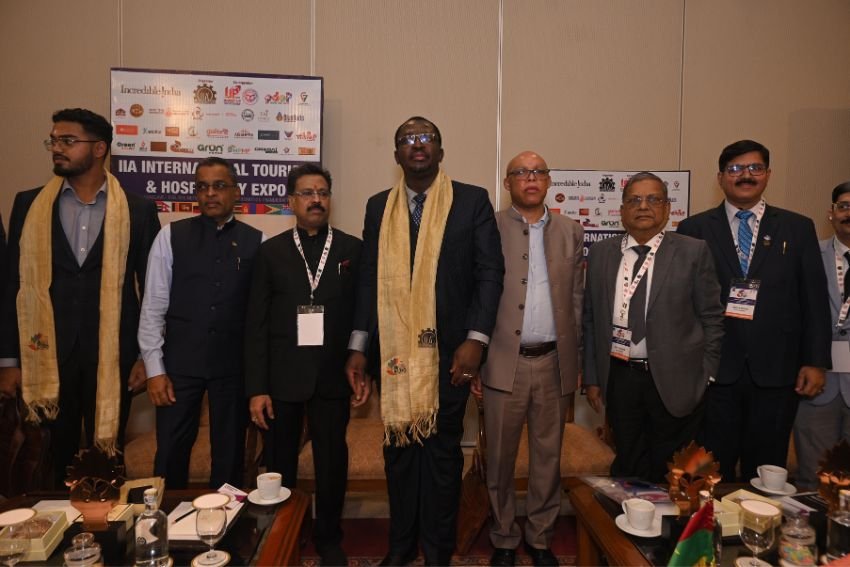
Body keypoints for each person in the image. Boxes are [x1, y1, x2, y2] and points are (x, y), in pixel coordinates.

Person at [345, 116, 504, 566]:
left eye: (426, 138)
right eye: (408, 139)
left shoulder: (471, 201)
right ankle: (400, 548)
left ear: (440, 150)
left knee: (440, 455)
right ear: (396, 154)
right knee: (399, 453)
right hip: (394, 354)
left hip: (451, 354)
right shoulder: (379, 206)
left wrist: (476, 341)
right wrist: (358, 345)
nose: (418, 145)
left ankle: (437, 552)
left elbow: (490, 273)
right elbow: (368, 280)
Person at [0, 108, 160, 485]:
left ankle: (109, 521)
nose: (57, 148)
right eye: (54, 140)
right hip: (45, 354)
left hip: (114, 356)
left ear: (99, 148)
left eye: (68, 141)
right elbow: (13, 286)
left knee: (107, 459)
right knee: (50, 459)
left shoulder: (137, 210)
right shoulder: (28, 205)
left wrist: (146, 357)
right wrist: (8, 360)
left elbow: (152, 289)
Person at [677, 139, 831, 482]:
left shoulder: (797, 227)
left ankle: (760, 518)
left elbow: (814, 299)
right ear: (720, 177)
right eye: (735, 169)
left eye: (754, 168)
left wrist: (815, 361)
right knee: (706, 470)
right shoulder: (694, 229)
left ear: (768, 174)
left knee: (766, 470)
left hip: (778, 372)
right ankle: (708, 519)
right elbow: (682, 304)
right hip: (713, 372)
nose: (745, 175)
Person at [244, 164, 360, 566]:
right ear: (291, 201)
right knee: (280, 464)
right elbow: (256, 325)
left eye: (323, 193)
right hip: (282, 378)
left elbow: (363, 314)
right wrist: (257, 388)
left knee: (332, 462)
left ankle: (329, 537)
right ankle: (282, 534)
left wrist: (361, 363)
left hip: (332, 376)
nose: (316, 200)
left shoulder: (351, 250)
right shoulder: (270, 252)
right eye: (308, 193)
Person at [583, 172, 724, 482]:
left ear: (667, 208)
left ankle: (671, 515)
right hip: (621, 377)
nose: (643, 206)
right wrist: (592, 377)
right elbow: (590, 318)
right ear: (622, 210)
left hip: (677, 379)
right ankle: (629, 514)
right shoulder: (602, 253)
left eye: (653, 199)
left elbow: (712, 317)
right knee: (628, 464)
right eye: (634, 200)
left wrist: (707, 374)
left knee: (675, 470)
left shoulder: (692, 251)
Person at [477, 151, 582, 567]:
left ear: (549, 180)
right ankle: (504, 537)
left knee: (547, 458)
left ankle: (540, 538)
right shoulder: (488, 228)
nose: (531, 178)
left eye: (538, 172)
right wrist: (476, 359)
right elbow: (476, 294)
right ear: (508, 184)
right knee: (500, 459)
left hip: (554, 362)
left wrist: (577, 364)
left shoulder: (571, 230)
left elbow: (577, 301)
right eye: (521, 172)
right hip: (504, 362)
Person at [138, 157, 262, 489]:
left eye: (219, 186)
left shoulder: (258, 242)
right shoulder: (170, 236)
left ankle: (226, 520)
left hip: (232, 368)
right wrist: (154, 370)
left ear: (236, 192)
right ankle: (165, 518)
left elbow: (260, 316)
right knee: (170, 453)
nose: (210, 194)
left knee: (229, 456)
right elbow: (152, 308)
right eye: (202, 187)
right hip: (178, 367)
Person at [793, 181, 850, 490]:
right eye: (844, 206)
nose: (849, 213)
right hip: (818, 382)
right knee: (813, 478)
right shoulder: (810, 253)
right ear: (831, 213)